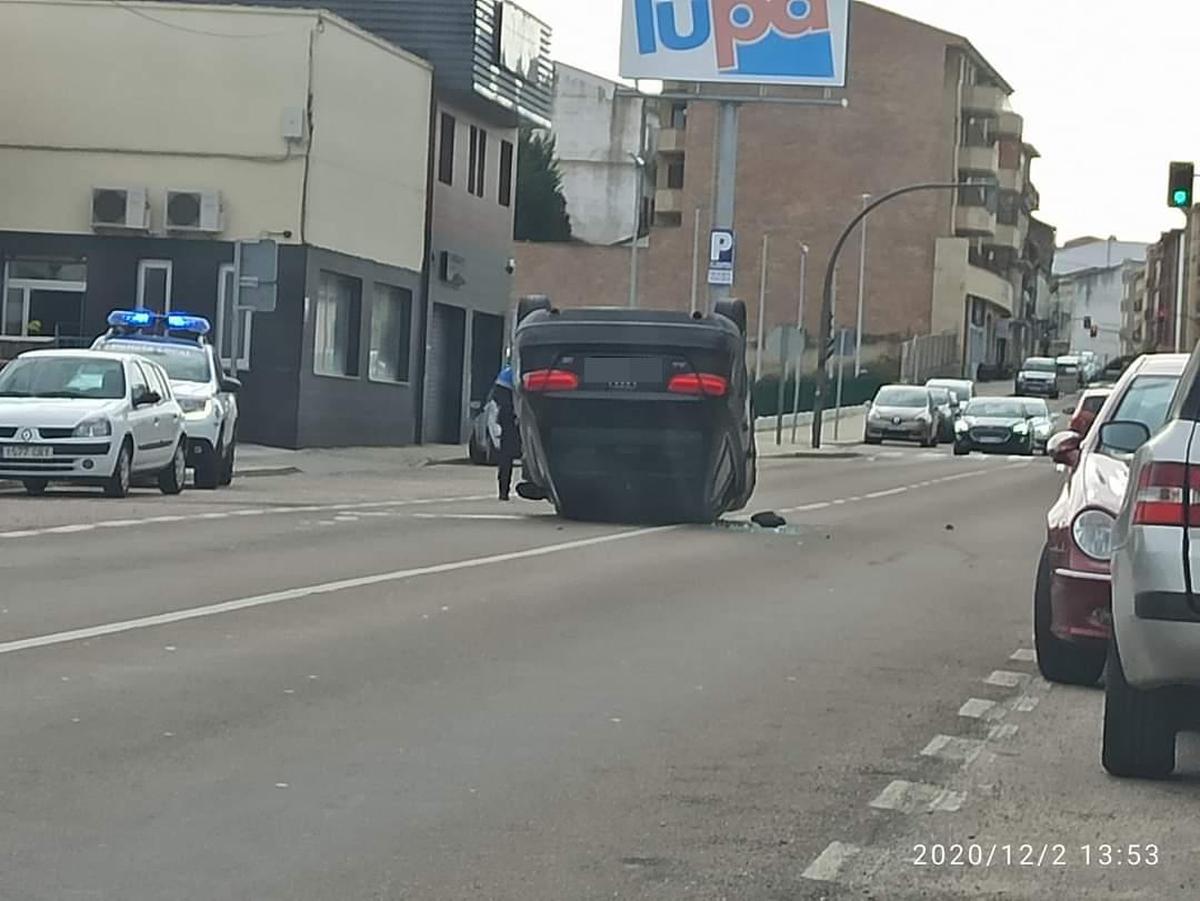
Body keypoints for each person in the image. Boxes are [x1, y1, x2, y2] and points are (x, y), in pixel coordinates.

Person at [488, 365, 520, 501]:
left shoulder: (508, 373)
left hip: (514, 418)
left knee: (506, 456)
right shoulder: (508, 374)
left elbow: (497, 397)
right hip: (512, 420)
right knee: (506, 456)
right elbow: (500, 398)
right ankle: (503, 491)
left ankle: (503, 491)